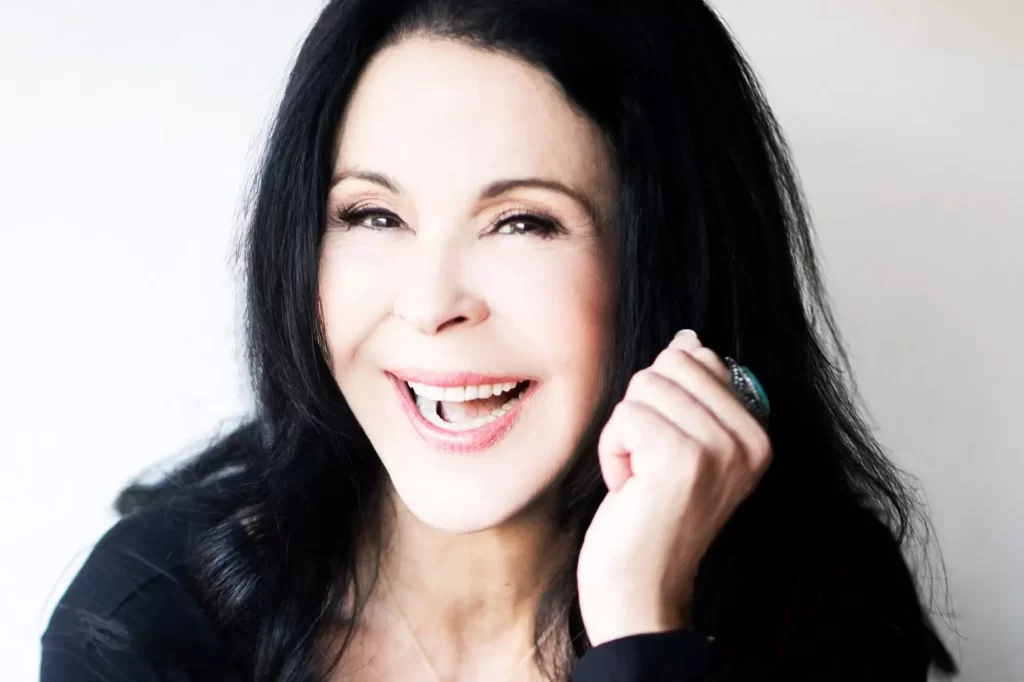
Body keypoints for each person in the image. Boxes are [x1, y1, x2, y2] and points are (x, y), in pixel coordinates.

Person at [40, 1, 959, 680]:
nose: (429, 304)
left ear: (669, 259)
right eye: (372, 214)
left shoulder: (826, 619)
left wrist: (642, 630)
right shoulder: (152, 621)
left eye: (523, 222)